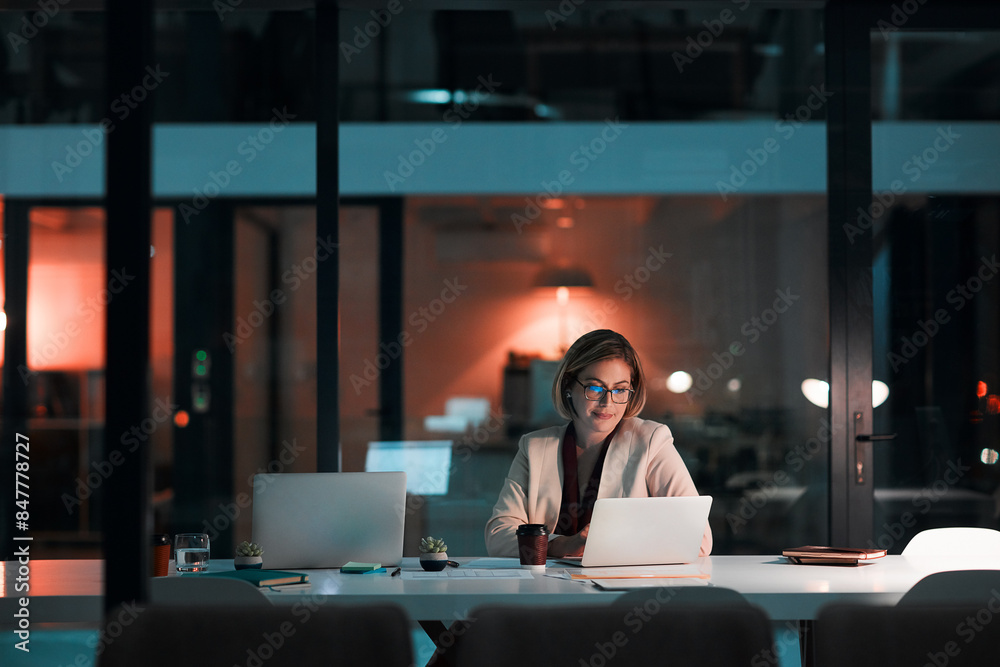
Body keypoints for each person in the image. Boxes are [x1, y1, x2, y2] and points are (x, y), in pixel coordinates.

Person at [486, 329, 712, 558]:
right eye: (595, 388)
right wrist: (559, 545)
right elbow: (498, 535)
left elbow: (699, 539)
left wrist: (607, 547)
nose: (608, 402)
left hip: (623, 589)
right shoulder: (534, 447)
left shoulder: (651, 441)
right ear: (568, 386)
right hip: (548, 590)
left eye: (620, 390)